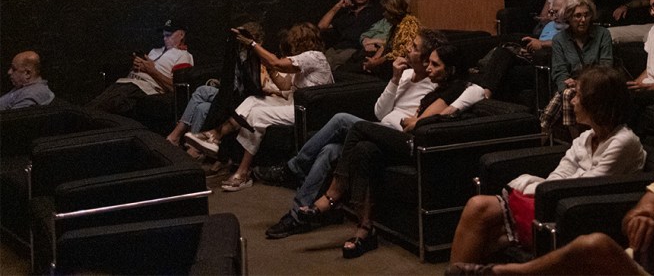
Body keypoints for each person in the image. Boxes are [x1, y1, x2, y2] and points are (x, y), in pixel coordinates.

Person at [449, 104, 654, 276]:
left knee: (594, 245)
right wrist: (641, 222)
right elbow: (637, 213)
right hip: (637, 262)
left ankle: (507, 273)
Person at [449, 66, 646, 267]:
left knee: (486, 227)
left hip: (580, 213)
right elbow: (560, 173)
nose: (572, 101)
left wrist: (545, 194)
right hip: (554, 199)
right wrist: (545, 193)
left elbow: (589, 184)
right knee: (477, 207)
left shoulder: (623, 142)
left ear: (596, 103)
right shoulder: (586, 137)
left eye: (577, 95)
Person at [257, 29, 443, 239]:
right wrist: (395, 79)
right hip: (376, 129)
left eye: (415, 47)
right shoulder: (406, 75)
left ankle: (294, 168)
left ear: (427, 58)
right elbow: (380, 112)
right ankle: (297, 215)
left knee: (341, 119)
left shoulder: (435, 85)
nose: (408, 48)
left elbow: (470, 90)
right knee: (329, 150)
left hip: (394, 139)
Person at [294, 43, 473, 258]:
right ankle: (365, 229)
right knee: (364, 149)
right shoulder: (439, 86)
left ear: (451, 69)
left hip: (417, 145)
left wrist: (418, 120)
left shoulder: (456, 87)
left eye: (436, 65)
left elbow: (420, 125)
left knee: (358, 127)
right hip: (407, 139)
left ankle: (333, 194)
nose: (429, 68)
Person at [185, 22, 333, 191]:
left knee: (257, 115)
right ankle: (214, 135)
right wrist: (268, 67)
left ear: (301, 41)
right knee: (252, 101)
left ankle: (243, 172)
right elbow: (285, 85)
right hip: (294, 103)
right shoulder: (302, 62)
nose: (290, 44)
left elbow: (277, 63)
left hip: (308, 111)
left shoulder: (314, 56)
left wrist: (253, 44)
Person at [165, 20, 265, 146]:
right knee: (202, 108)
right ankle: (193, 146)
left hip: (240, 99)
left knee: (202, 91)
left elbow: (255, 84)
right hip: (228, 94)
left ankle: (177, 134)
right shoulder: (238, 54)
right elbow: (233, 80)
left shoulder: (259, 59)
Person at [541, 0, 613, 136]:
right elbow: (559, 71)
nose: (583, 20)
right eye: (577, 16)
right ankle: (575, 138)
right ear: (568, 17)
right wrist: (569, 85)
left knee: (564, 98)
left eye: (586, 15)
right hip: (570, 85)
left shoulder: (603, 34)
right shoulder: (559, 40)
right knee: (567, 93)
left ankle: (557, 135)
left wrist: (581, 84)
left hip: (598, 84)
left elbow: (605, 66)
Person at [87, 19, 193, 116]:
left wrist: (151, 70)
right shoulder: (155, 51)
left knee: (99, 108)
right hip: (126, 81)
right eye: (164, 35)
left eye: (169, 35)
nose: (165, 39)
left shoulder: (184, 56)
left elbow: (177, 88)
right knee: (95, 103)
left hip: (143, 87)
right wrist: (138, 65)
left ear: (181, 34)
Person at [317, 0, 383, 67]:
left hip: (354, 50)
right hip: (336, 48)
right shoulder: (347, 14)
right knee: (317, 63)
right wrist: (338, 6)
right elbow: (322, 26)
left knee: (327, 66)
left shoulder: (375, 13)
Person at [356, 0, 421, 77]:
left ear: (393, 11)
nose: (383, 14)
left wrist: (375, 63)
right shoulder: (395, 25)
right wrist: (374, 59)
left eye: (386, 11)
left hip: (399, 64)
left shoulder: (408, 25)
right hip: (388, 60)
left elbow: (398, 53)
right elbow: (387, 45)